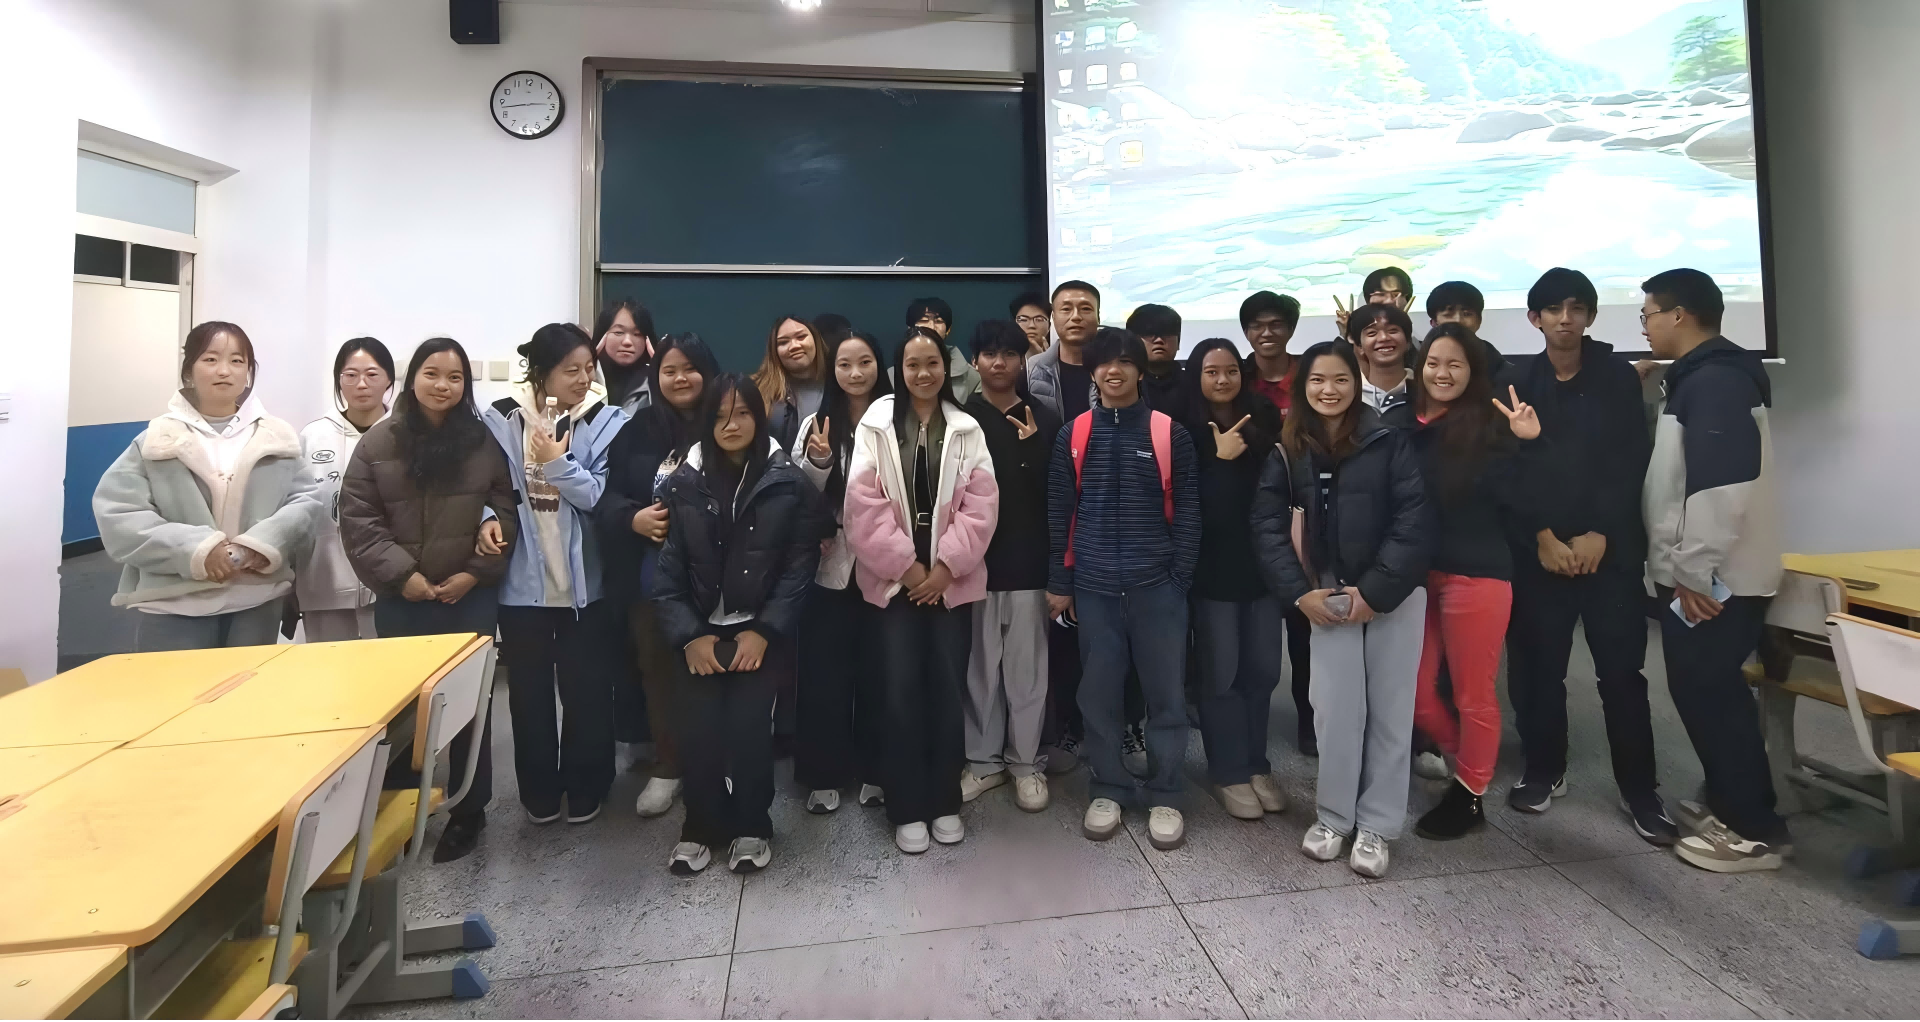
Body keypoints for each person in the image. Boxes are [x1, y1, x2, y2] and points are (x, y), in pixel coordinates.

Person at [1249, 340, 1430, 878]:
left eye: (1340, 380)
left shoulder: (1390, 441)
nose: (1328, 390)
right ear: (1302, 387)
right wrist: (1298, 593)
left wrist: (1373, 592)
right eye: (1317, 380)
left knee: (1390, 714)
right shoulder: (1287, 449)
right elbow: (1267, 527)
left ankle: (1376, 826)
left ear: (1357, 383)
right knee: (1333, 714)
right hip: (1325, 600)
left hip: (1392, 597)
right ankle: (1333, 817)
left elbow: (1414, 521)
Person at [1503, 268, 1668, 842]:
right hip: (1542, 553)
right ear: (1536, 318)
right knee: (1540, 671)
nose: (1565, 319)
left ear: (1591, 316)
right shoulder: (1517, 380)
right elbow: (1511, 469)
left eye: (1577, 308)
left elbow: (1630, 461)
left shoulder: (1618, 377)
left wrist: (1602, 532)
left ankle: (1640, 790)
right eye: (1553, 309)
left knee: (1621, 674)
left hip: (1608, 552)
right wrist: (1543, 536)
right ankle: (1544, 770)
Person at [339, 336, 518, 863]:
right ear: (412, 378)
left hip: (469, 597)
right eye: (432, 374)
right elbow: (360, 522)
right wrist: (404, 577)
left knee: (470, 707)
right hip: (403, 599)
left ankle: (469, 810)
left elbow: (506, 511)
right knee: (403, 710)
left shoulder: (483, 442)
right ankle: (399, 811)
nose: (443, 385)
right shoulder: (378, 443)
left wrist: (474, 574)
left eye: (455, 377)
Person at [1640, 268, 1788, 873]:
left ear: (1678, 315)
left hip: (1715, 581)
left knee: (1712, 692)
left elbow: (1720, 488)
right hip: (1706, 574)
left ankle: (1753, 831)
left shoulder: (1717, 381)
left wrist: (1693, 573)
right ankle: (1732, 804)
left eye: (1647, 315)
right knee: (1705, 689)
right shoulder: (1700, 377)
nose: (1644, 327)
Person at [653, 374, 822, 875]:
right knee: (699, 731)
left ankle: (752, 826)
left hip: (758, 630)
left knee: (750, 732)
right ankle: (700, 826)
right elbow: (667, 573)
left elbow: (798, 567)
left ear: (759, 417)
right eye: (721, 415)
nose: (732, 425)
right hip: (699, 631)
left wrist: (764, 631)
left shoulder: (786, 481)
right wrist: (690, 636)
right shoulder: (684, 482)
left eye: (743, 413)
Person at [845, 327, 1000, 854]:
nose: (923, 373)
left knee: (946, 692)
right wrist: (910, 571)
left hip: (950, 585)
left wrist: (945, 569)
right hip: (895, 586)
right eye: (912, 364)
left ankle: (944, 801)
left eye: (932, 362)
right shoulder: (876, 424)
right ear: (899, 370)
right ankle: (907, 806)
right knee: (899, 693)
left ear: (945, 367)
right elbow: (862, 508)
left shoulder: (966, 427)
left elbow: (982, 507)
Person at [1047, 327, 1200, 852]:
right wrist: (1061, 582)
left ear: (1140, 369)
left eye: (1125, 362)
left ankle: (1166, 792)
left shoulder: (1168, 433)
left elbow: (1189, 512)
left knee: (1166, 696)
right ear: (1092, 371)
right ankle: (1108, 787)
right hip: (1094, 588)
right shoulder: (1073, 434)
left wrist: (1178, 580)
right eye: (1104, 363)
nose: (1114, 371)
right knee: (1098, 694)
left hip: (1158, 588)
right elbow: (1061, 512)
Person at [94, 322, 319, 651]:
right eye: (210, 359)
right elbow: (120, 514)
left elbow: (306, 503)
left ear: (248, 372)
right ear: (189, 371)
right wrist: (197, 550)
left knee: (250, 683)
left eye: (237, 361)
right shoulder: (157, 440)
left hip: (256, 599)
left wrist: (261, 544)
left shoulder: (277, 437)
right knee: (176, 684)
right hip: (175, 602)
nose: (224, 371)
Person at [481, 322, 629, 825]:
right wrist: (485, 518)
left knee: (588, 693)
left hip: (586, 584)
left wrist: (558, 462)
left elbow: (600, 497)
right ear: (541, 373)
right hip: (522, 585)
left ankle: (587, 787)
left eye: (589, 369)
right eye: (571, 370)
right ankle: (539, 793)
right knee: (529, 697)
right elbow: (483, 488)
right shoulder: (500, 419)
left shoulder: (608, 421)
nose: (584, 380)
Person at [1402, 324, 1544, 840]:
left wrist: (1529, 445)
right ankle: (1467, 760)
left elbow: (1525, 503)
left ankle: (1470, 793)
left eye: (1455, 365)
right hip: (1417, 576)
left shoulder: (1494, 426)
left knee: (1472, 694)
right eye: (1433, 363)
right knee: (1416, 692)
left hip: (1477, 574)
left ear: (1472, 372)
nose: (1442, 373)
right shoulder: (1405, 424)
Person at [596, 333, 722, 820]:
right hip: (652, 577)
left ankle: (718, 761)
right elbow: (607, 496)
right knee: (659, 671)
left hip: (721, 576)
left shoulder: (729, 417)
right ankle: (668, 765)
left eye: (690, 368)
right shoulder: (637, 429)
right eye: (669, 370)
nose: (680, 378)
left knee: (718, 669)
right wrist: (633, 518)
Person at [1181, 337, 1287, 820]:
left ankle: (1256, 763)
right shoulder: (1184, 429)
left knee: (1262, 672)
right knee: (1221, 675)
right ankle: (1227, 770)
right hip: (1213, 572)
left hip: (1264, 569)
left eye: (1230, 371)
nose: (1222, 380)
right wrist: (1220, 462)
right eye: (1211, 372)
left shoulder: (1263, 419)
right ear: (1197, 377)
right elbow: (1192, 508)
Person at [960, 320, 1060, 812]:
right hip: (972, 567)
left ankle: (1026, 764)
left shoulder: (1045, 417)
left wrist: (1035, 447)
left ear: (1024, 361)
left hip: (1030, 564)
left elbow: (1060, 494)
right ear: (974, 361)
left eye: (1009, 354)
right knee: (980, 671)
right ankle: (983, 763)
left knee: (1027, 672)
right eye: (989, 354)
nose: (999, 363)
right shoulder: (960, 418)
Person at [792, 330, 893, 813]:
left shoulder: (897, 419)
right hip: (829, 567)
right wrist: (820, 461)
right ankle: (824, 773)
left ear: (879, 365)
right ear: (832, 371)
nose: (855, 373)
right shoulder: (816, 422)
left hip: (886, 565)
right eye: (845, 365)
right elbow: (796, 491)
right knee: (823, 674)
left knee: (881, 671)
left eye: (865, 362)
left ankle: (877, 769)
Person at [1238, 290, 1316, 753]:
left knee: (1307, 626)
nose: (1266, 333)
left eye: (1276, 324)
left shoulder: (1311, 374)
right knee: (1255, 632)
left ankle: (1311, 718)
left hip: (1308, 514)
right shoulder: (1236, 375)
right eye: (1256, 325)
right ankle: (1246, 725)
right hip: (1252, 515)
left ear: (1290, 328)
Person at [297, 337, 394, 642]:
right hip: (324, 580)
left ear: (389, 379)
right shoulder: (313, 436)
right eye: (351, 375)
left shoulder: (404, 434)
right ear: (339, 380)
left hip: (389, 584)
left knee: (390, 668)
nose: (361, 384)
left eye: (372, 374)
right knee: (329, 668)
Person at [1025, 280, 1101, 424]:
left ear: (1098, 317)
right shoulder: (1032, 368)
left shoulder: (1114, 368)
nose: (1076, 316)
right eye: (1066, 309)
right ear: (1053, 317)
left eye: (1085, 309)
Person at [752, 315, 826, 450]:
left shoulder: (839, 385)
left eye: (801, 337)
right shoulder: (755, 389)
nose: (794, 346)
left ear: (816, 340)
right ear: (774, 351)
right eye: (783, 342)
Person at [906, 296, 983, 404]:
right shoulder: (891, 375)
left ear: (948, 330)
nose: (931, 327)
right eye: (924, 320)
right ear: (910, 328)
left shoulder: (972, 377)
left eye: (938, 321)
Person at [1346, 303, 1416, 418]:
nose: (1384, 338)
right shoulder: (1349, 393)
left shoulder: (1425, 389)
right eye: (1372, 333)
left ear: (1408, 342)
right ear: (1359, 346)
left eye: (1392, 331)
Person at [1126, 303, 1187, 419]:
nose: (1159, 340)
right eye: (1149, 333)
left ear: (1178, 341)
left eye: (1167, 333)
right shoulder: (1123, 385)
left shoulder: (1196, 385)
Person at [595, 299, 655, 416]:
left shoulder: (656, 380)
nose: (627, 341)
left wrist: (661, 371)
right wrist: (587, 368)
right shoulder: (586, 378)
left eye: (637, 334)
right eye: (618, 332)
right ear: (602, 334)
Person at [1333, 266, 1415, 336]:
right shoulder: (1361, 339)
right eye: (1381, 294)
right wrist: (1347, 334)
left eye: (1395, 294)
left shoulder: (1415, 344)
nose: (1389, 301)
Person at [1010, 290, 1052, 356]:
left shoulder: (1059, 357)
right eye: (1023, 320)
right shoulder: (1001, 357)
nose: (1031, 325)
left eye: (1039, 319)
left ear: (1049, 326)